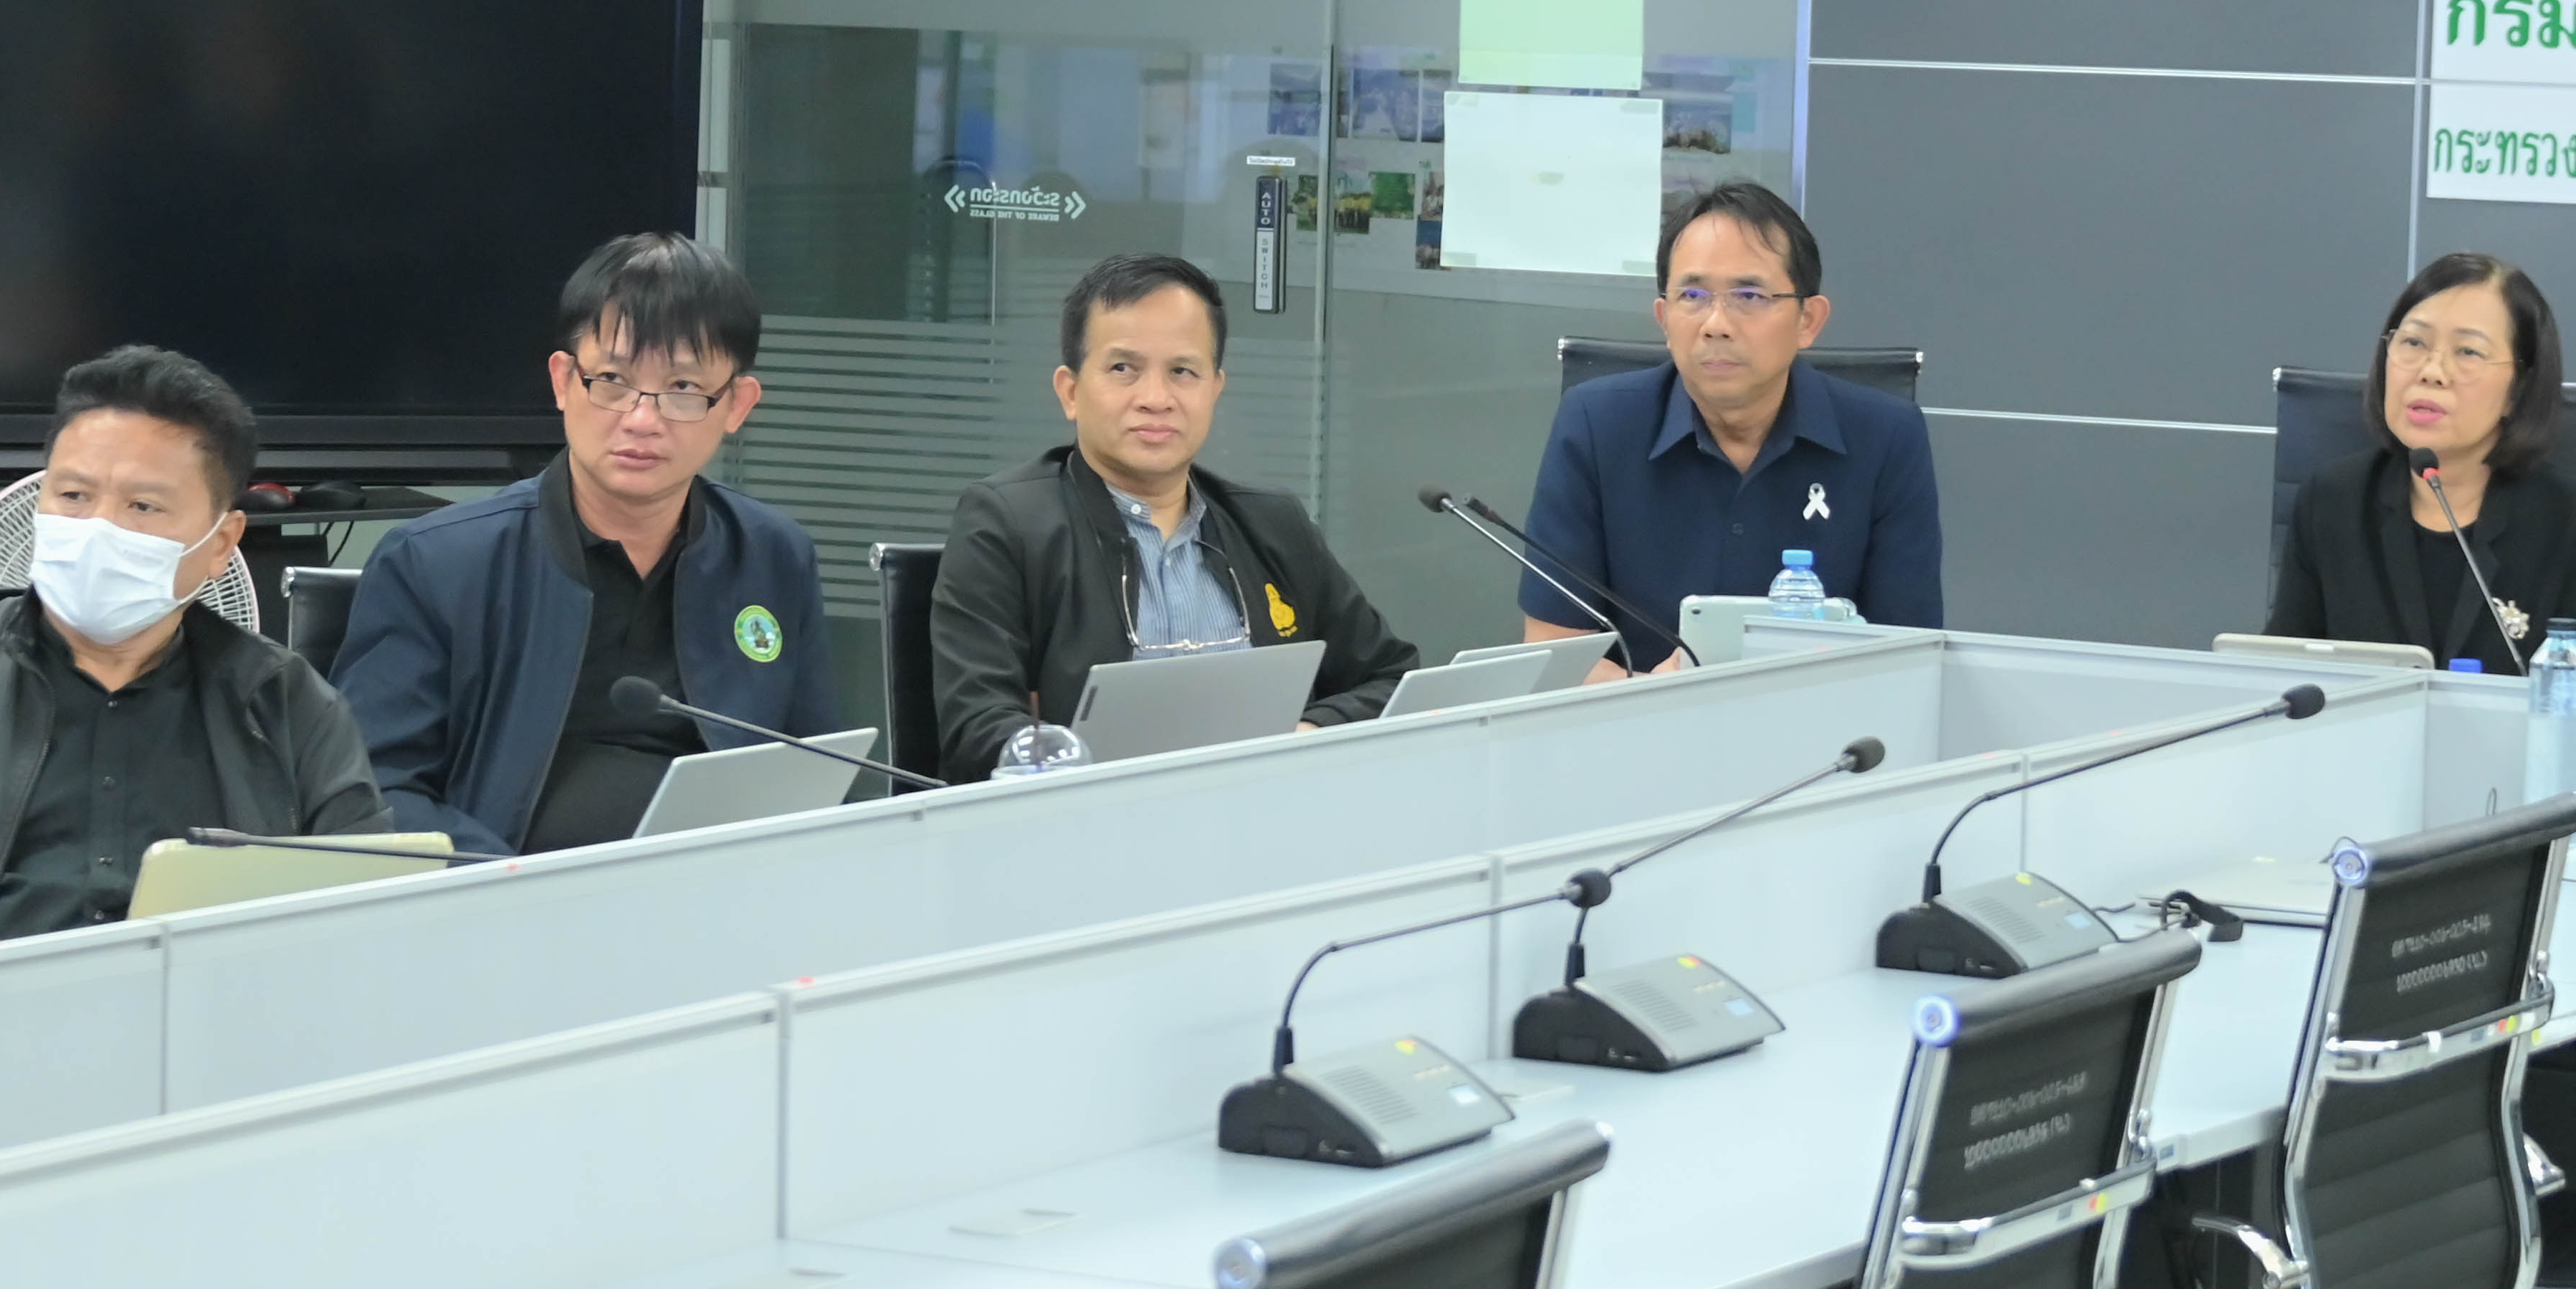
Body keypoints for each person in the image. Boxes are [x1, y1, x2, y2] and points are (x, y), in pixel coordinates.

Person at [0, 346, 387, 958]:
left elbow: (370, 921)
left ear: (221, 543)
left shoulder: (288, 705)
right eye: (74, 495)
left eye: (143, 506)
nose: (97, 528)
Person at [336, 234, 837, 853]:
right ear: (563, 381)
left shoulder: (773, 556)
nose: (642, 419)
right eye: (613, 380)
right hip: (502, 895)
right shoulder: (435, 563)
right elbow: (374, 791)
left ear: (736, 405)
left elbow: (819, 773)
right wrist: (518, 886)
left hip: (718, 891)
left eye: (684, 388)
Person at [928, 252, 1419, 781]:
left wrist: (1303, 732)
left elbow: (1391, 679)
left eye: (1182, 371)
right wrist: (1059, 756)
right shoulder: (1008, 524)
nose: (1156, 398)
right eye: (1123, 369)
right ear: (1070, 392)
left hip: (1265, 808)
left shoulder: (1272, 524)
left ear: (1214, 390)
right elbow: (977, 732)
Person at [1517, 181, 1942, 672]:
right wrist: (1655, 695)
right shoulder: (1595, 426)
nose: (1715, 323)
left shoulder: (1886, 438)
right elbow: (1553, 652)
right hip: (1638, 715)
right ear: (1664, 318)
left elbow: (1908, 657)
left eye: (1749, 295)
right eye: (1693, 295)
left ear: (1808, 320)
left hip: (1818, 715)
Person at [2267, 252, 2576, 683]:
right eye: (2413, 343)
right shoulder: (2331, 501)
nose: (2432, 371)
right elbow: (2282, 677)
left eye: (2468, 351)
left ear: (2519, 389)